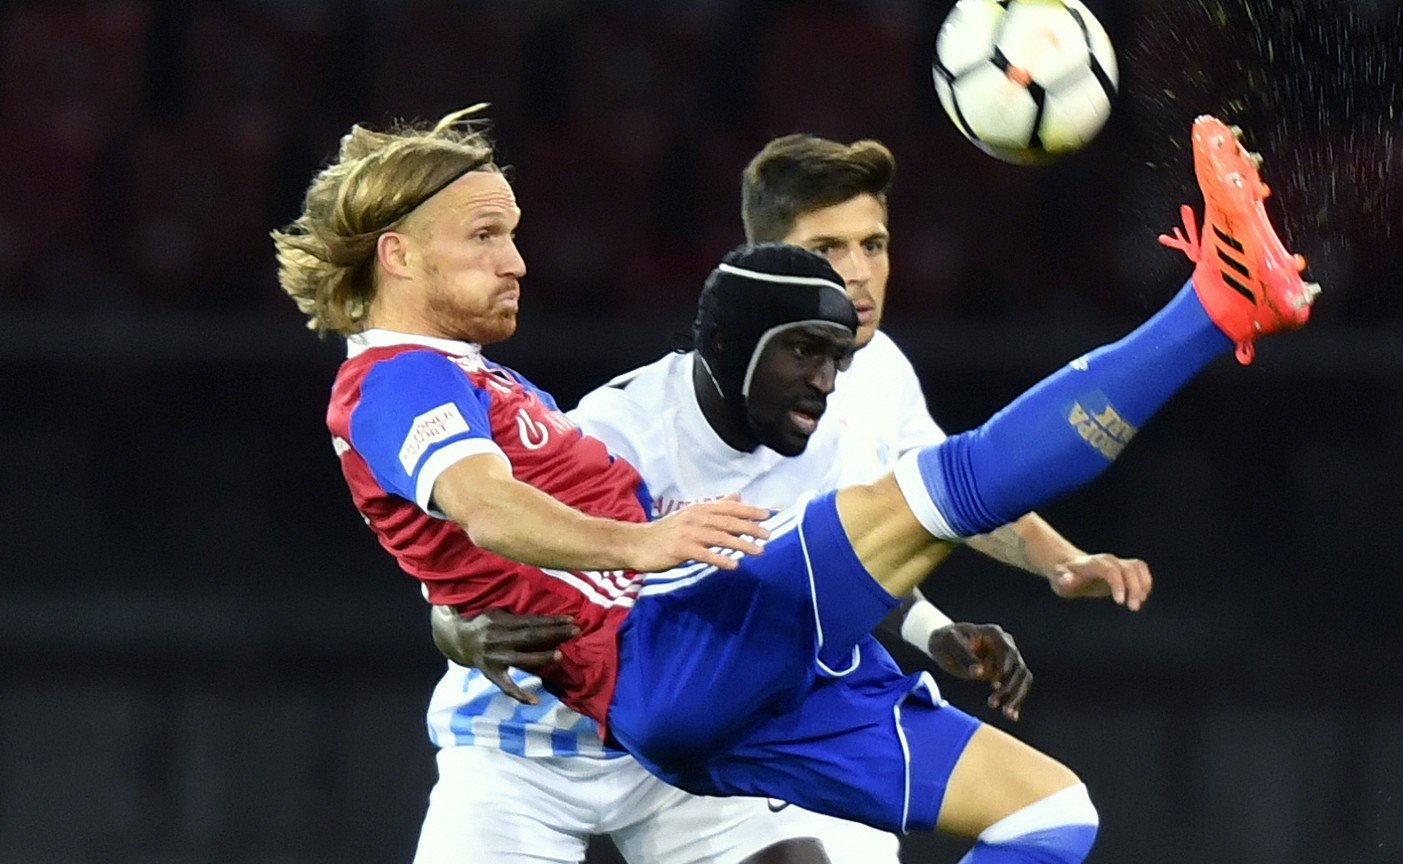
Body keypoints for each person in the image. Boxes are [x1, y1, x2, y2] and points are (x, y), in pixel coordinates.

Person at [272, 105, 1317, 864]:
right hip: (646, 659)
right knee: (952, 483)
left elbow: (464, 551)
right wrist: (642, 547)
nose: (519, 264)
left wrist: (969, 608)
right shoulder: (400, 379)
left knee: (1051, 814)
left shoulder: (465, 379)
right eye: (487, 237)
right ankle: (1217, 303)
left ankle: (1222, 302)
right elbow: (482, 508)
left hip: (697, 680)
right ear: (397, 255)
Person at [424, 132, 1159, 864]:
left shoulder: (864, 385)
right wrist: (458, 634)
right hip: (528, 742)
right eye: (829, 250)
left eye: (874, 245)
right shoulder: (619, 429)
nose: (858, 275)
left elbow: (906, 515)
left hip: (689, 749)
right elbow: (475, 560)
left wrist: (962, 613)